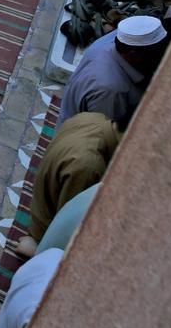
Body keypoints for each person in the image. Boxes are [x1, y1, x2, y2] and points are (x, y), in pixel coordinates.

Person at [15, 111, 119, 259]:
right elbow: (67, 225)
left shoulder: (94, 117)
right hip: (45, 230)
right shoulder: (89, 166)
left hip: (45, 198)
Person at [56, 15, 168, 129]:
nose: (163, 57)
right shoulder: (110, 89)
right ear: (133, 54)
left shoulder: (116, 40)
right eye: (158, 53)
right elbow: (106, 134)